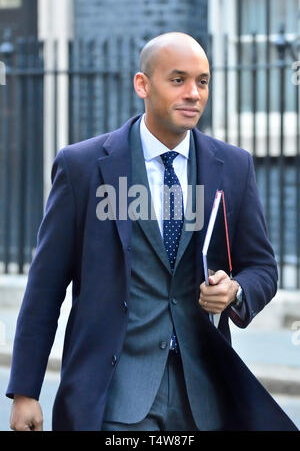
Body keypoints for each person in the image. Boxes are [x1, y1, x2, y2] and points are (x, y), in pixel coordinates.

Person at [7, 32, 297, 431]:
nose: (194, 93)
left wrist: (235, 291)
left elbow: (263, 268)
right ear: (142, 85)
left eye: (203, 81)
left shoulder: (233, 166)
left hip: (204, 398)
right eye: (178, 80)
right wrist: (26, 392)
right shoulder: (83, 167)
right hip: (115, 398)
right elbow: (45, 287)